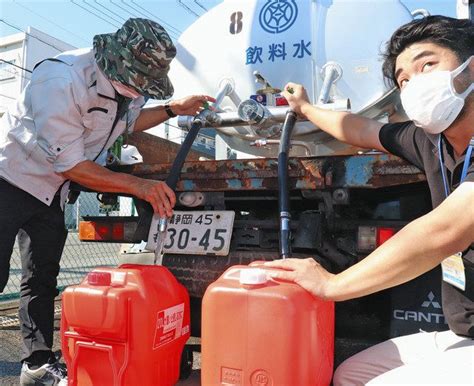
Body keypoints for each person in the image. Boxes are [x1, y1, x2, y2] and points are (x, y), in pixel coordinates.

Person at [0, 18, 214, 386]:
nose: (140, 93)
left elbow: (126, 124)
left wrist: (172, 109)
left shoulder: (127, 87)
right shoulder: (61, 79)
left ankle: (36, 365)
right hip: (10, 178)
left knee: (41, 278)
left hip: (54, 191)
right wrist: (137, 186)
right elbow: (67, 161)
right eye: (138, 85)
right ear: (115, 62)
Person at [264, 15, 474, 385]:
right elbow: (362, 129)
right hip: (465, 335)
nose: (416, 84)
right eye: (404, 80)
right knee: (350, 375)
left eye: (428, 65)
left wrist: (333, 285)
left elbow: (446, 230)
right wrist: (306, 109)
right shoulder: (430, 140)